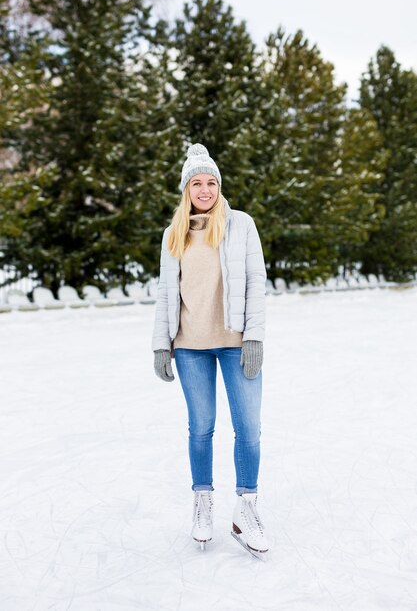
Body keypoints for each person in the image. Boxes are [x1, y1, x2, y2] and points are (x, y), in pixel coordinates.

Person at [152, 143, 269, 557]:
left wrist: (254, 336)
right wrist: (160, 346)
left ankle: (246, 509)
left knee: (249, 430)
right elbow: (166, 292)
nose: (205, 189)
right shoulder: (174, 234)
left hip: (236, 344)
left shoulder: (241, 225)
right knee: (201, 428)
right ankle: (202, 502)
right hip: (190, 347)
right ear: (186, 189)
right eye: (197, 183)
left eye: (211, 182)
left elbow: (257, 281)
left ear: (219, 186)